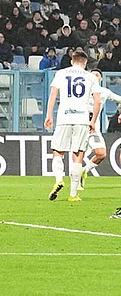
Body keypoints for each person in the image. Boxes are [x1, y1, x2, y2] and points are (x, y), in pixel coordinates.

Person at [44, 49, 101, 202]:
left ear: (72, 61)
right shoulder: (91, 77)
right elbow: (97, 101)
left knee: (58, 151)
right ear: (85, 62)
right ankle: (73, 194)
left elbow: (53, 95)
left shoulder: (61, 73)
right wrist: (93, 121)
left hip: (64, 117)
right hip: (82, 119)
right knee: (78, 154)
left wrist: (49, 115)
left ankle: (58, 180)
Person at [80, 69, 121, 190]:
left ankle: (84, 171)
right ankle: (75, 184)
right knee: (78, 155)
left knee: (101, 154)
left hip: (94, 129)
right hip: (80, 127)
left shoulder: (104, 92)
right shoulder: (81, 91)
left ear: (100, 79)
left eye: (97, 75)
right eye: (91, 74)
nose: (94, 76)